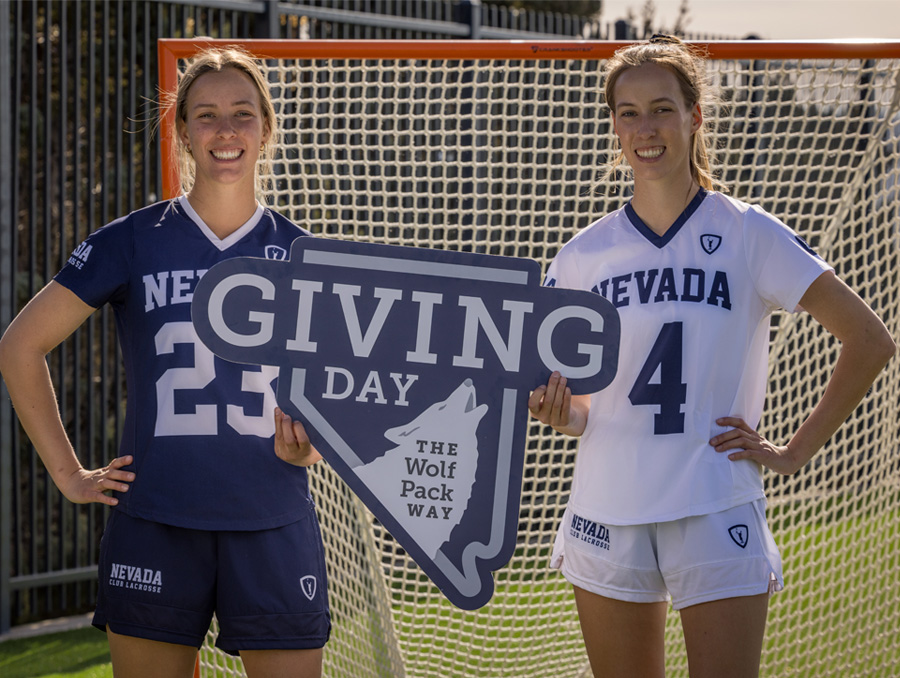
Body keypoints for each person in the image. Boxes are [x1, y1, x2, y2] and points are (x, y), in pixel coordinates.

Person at [528, 35, 895, 678]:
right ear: (613, 124)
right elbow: (584, 406)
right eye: (629, 111)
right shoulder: (583, 256)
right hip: (607, 507)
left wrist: (795, 451)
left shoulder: (747, 232)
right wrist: (565, 416)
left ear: (695, 115)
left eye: (663, 108)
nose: (646, 128)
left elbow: (870, 341)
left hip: (713, 501)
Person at [0, 47, 330, 678]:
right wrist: (69, 475)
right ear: (181, 130)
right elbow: (19, 346)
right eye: (205, 115)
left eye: (242, 113)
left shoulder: (308, 257)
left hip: (274, 518)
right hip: (155, 517)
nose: (225, 130)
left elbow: (334, 404)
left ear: (267, 127)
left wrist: (311, 448)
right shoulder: (131, 240)